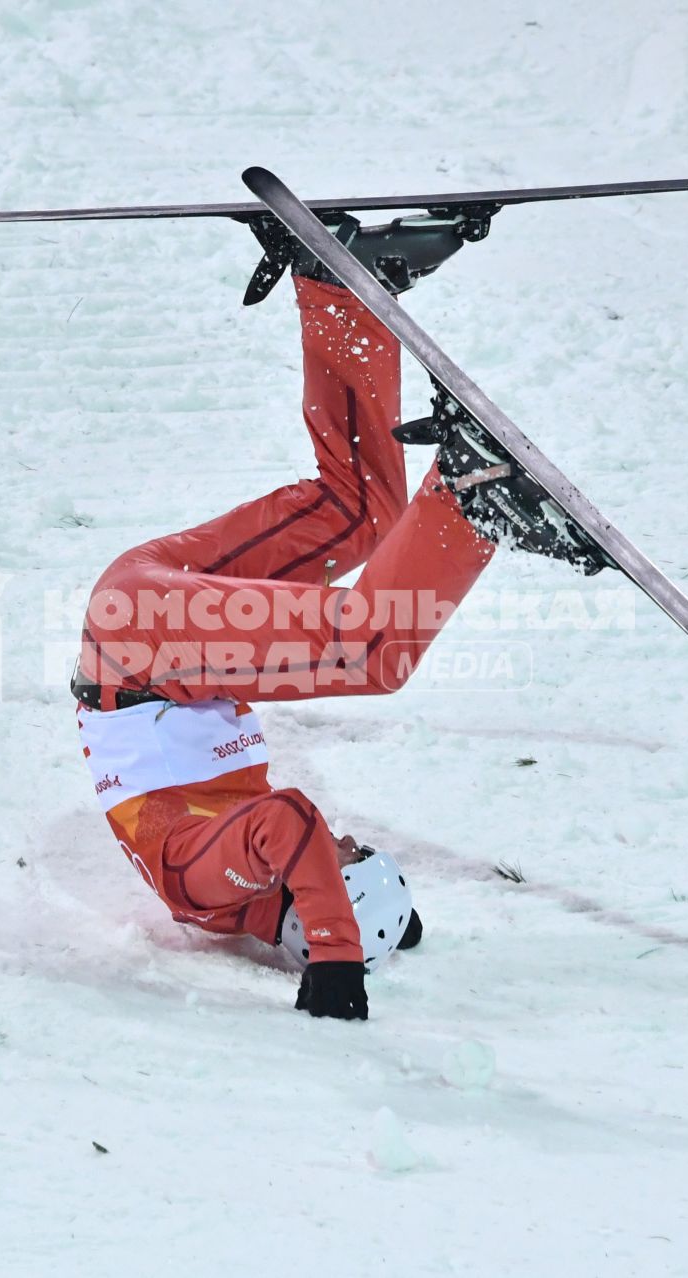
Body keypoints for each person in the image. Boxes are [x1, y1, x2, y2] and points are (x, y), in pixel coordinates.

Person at [72, 220, 595, 1019]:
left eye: (353, 863)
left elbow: (288, 823)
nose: (347, 844)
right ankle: (340, 288)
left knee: (373, 650)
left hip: (144, 650)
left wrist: (339, 963)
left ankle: (471, 499)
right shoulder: (233, 883)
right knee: (362, 513)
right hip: (154, 620)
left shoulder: (208, 895)